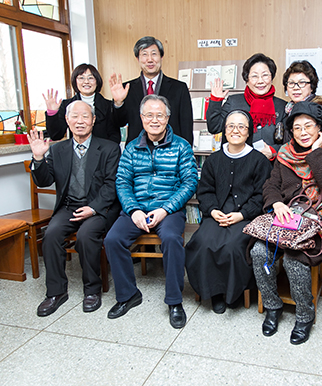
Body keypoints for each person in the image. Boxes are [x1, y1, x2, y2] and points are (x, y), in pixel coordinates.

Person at [251, 101, 322, 345]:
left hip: (319, 218)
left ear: (319, 128)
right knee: (258, 251)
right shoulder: (284, 154)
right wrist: (276, 203)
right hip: (286, 216)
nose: (303, 132)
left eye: (309, 126)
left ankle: (305, 315)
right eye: (297, 128)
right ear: (291, 131)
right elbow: (271, 185)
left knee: (295, 261)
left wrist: (316, 152)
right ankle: (273, 306)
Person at [104, 95, 198, 329]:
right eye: (149, 115)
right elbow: (122, 181)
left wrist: (165, 209)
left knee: (171, 239)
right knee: (112, 239)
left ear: (167, 117)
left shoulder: (182, 146)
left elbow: (189, 183)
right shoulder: (132, 147)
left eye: (159, 115)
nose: (154, 120)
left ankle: (175, 301)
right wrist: (133, 209)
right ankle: (128, 295)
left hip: (168, 209)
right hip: (136, 208)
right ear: (141, 118)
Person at [28, 101, 121, 317]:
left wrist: (93, 208)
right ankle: (56, 292)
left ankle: (92, 290)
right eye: (75, 117)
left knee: (86, 236)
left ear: (93, 120)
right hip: (69, 207)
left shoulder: (109, 148)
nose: (80, 121)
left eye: (85, 116)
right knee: (50, 235)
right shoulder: (57, 149)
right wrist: (38, 158)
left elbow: (111, 185)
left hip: (98, 208)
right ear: (67, 121)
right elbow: (44, 181)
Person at [185, 110, 272, 314]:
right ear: (224, 130)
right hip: (217, 213)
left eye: (241, 126)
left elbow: (261, 196)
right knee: (203, 243)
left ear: (248, 131)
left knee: (233, 246)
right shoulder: (214, 159)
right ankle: (214, 293)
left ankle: (235, 292)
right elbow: (205, 190)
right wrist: (213, 210)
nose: (236, 130)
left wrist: (242, 215)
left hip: (245, 216)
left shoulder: (259, 161)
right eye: (231, 126)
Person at [109, 36, 193, 144]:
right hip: (137, 150)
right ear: (138, 59)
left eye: (154, 54)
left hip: (171, 151)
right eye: (144, 54)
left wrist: (185, 153)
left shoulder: (179, 88)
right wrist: (118, 103)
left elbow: (186, 126)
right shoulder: (126, 88)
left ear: (161, 57)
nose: (150, 59)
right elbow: (118, 123)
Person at [206, 53, 286, 160]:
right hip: (236, 165)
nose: (260, 81)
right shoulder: (233, 102)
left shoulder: (282, 106)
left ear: (272, 78)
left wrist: (273, 151)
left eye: (265, 75)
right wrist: (216, 101)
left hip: (269, 168)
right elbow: (214, 127)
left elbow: (289, 143)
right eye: (254, 76)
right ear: (246, 79)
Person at [44, 63, 120, 143]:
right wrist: (52, 113)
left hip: (103, 153)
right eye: (81, 78)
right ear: (75, 81)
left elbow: (115, 137)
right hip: (75, 153)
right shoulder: (67, 105)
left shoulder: (109, 105)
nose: (86, 81)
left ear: (97, 81)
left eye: (91, 78)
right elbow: (56, 135)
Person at [281, 60, 322, 142]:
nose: (296, 88)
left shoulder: (321, 110)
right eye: (291, 83)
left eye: (302, 82)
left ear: (312, 87)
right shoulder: (288, 110)